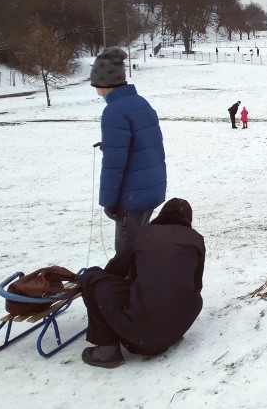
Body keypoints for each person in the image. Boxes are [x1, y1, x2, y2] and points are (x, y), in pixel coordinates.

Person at [78, 198, 205, 368]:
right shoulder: (196, 239)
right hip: (176, 328)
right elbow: (197, 285)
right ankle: (168, 331)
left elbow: (114, 272)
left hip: (141, 332)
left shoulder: (142, 234)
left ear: (161, 215)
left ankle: (107, 351)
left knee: (91, 278)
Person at [91, 47, 166, 255]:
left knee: (126, 254)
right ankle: (142, 285)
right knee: (139, 248)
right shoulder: (139, 103)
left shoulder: (114, 111)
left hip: (132, 195)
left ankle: (129, 287)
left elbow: (114, 163)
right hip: (150, 188)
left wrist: (108, 201)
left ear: (103, 82)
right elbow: (143, 144)